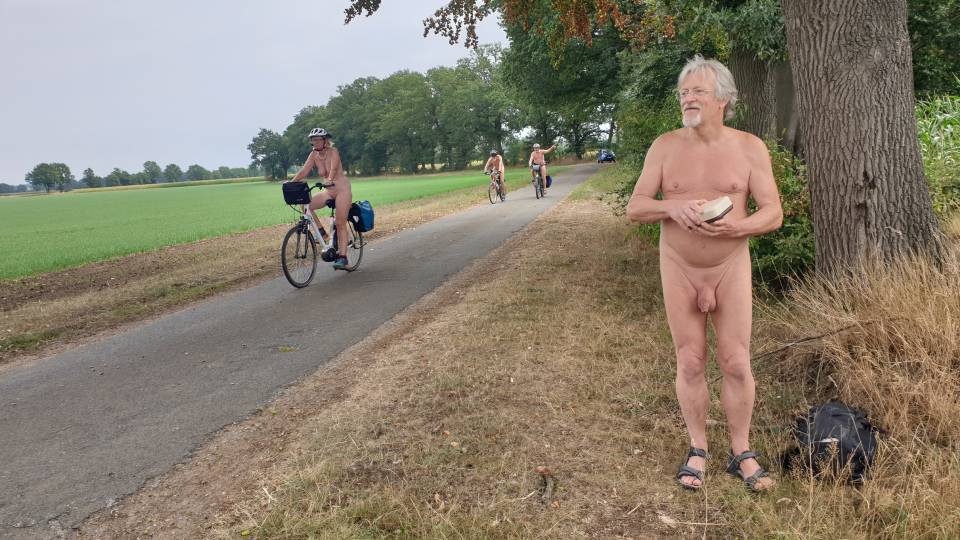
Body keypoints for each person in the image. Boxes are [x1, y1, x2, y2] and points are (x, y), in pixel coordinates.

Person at [625, 55, 783, 491]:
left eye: (697, 91)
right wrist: (670, 206)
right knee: (690, 359)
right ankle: (698, 448)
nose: (688, 98)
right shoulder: (665, 146)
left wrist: (739, 225)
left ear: (723, 100)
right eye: (684, 92)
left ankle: (741, 452)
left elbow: (772, 213)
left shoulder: (750, 147)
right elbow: (636, 207)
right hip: (678, 266)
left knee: (735, 360)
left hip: (730, 265)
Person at [290, 128, 352, 270]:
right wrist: (291, 183)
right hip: (328, 191)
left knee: (340, 222)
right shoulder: (313, 155)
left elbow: (333, 169)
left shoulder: (333, 151)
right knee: (306, 205)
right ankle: (322, 233)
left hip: (342, 190)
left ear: (325, 140)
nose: (315, 142)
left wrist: (330, 179)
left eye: (318, 139)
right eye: (313, 140)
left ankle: (343, 258)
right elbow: (304, 171)